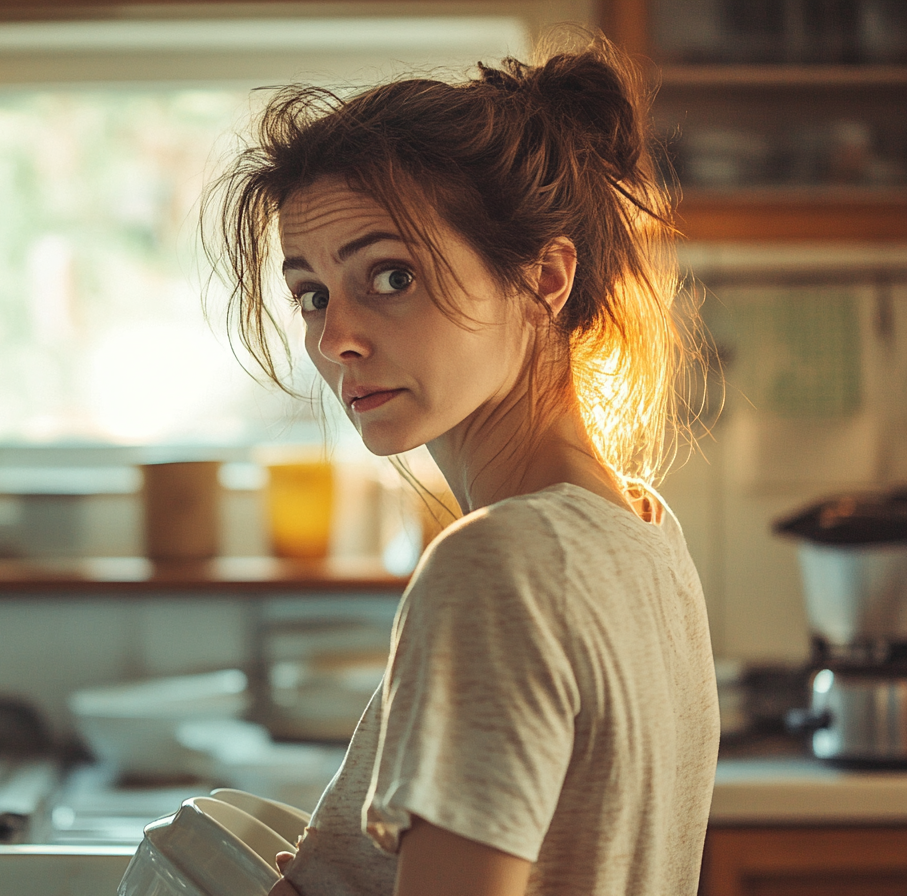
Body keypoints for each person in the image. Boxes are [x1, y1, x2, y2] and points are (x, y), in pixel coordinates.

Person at [206, 33, 719, 896]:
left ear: (544, 277)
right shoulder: (647, 539)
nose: (335, 338)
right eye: (311, 291)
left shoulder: (495, 566)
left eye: (392, 276)